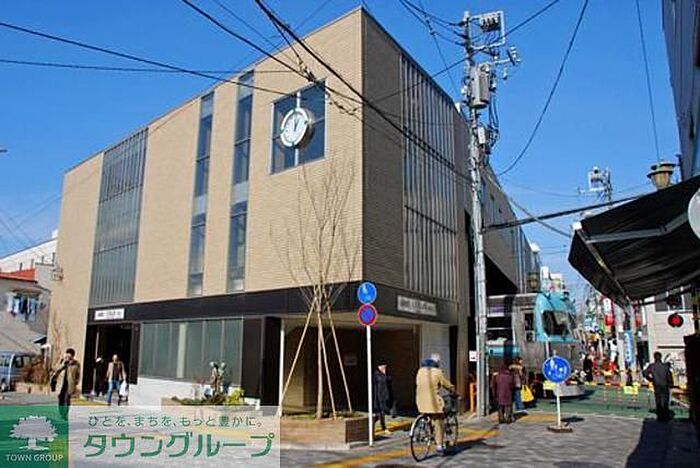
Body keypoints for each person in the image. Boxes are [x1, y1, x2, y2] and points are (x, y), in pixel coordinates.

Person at [416, 353, 455, 456]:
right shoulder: (438, 372)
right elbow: (446, 385)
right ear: (437, 362)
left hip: (420, 401)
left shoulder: (420, 371)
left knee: (427, 415)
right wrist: (453, 390)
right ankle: (439, 446)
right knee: (439, 421)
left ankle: (426, 431)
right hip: (433, 403)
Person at [51, 348, 81, 420]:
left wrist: (75, 383)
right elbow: (55, 369)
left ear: (72, 356)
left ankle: (65, 414)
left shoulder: (76, 364)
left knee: (67, 400)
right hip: (61, 384)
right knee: (60, 399)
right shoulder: (62, 361)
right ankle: (61, 413)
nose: (68, 357)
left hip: (69, 385)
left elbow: (78, 375)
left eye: (70, 356)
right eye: (67, 355)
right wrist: (63, 364)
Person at [644, 351, 674, 421]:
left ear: (654, 358)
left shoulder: (652, 366)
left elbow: (645, 373)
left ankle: (660, 416)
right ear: (661, 357)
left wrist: (651, 379)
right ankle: (666, 415)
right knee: (665, 400)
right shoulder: (665, 366)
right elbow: (669, 376)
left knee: (658, 400)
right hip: (665, 385)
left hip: (657, 385)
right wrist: (671, 384)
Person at [372, 362, 394, 435]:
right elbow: (376, 387)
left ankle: (373, 426)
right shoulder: (376, 375)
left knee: (380, 414)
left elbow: (389, 380)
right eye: (383, 367)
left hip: (385, 397)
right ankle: (383, 428)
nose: (384, 368)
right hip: (379, 397)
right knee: (381, 414)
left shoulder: (385, 374)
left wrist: (385, 374)